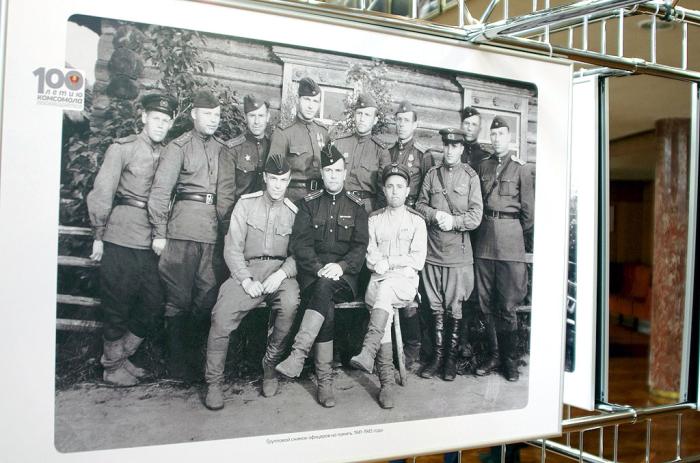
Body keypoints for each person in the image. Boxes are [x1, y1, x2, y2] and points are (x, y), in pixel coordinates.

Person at [86, 93, 176, 386]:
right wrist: (98, 235)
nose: (161, 125)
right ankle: (111, 368)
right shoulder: (122, 148)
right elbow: (103, 192)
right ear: (143, 117)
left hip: (151, 240)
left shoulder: (168, 154)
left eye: (166, 120)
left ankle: (121, 357)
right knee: (117, 303)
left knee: (153, 303)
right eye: (156, 118)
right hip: (121, 235)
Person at [275, 142, 369, 408]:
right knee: (323, 293)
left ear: (344, 172)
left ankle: (299, 354)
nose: (333, 176)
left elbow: (361, 247)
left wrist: (341, 266)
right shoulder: (308, 204)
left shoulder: (357, 206)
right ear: (322, 173)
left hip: (346, 276)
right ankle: (324, 383)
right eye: (328, 171)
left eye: (337, 171)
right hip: (314, 274)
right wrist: (318, 268)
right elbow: (300, 245)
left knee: (325, 289)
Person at [203, 153, 300, 410]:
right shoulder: (246, 204)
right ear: (265, 178)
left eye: (284, 180)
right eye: (274, 179)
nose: (278, 185)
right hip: (248, 270)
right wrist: (246, 281)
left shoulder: (294, 213)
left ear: (288, 181)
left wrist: (281, 274)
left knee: (290, 303)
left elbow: (299, 255)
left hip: (280, 273)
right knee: (222, 314)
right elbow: (232, 249)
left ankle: (270, 367)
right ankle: (214, 382)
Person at [147, 89, 229, 381]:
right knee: (178, 298)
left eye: (217, 115)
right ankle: (177, 365)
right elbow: (160, 193)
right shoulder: (178, 147)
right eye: (208, 114)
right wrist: (159, 232)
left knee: (207, 297)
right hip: (182, 230)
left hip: (212, 233)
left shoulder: (223, 148)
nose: (213, 120)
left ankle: (199, 363)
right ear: (194, 114)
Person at [349, 163, 427, 409]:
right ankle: (384, 379)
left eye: (400, 187)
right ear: (383, 190)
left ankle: (378, 367)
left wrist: (389, 262)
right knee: (383, 296)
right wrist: (379, 263)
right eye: (390, 186)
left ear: (407, 191)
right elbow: (369, 253)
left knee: (385, 292)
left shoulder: (416, 221)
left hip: (404, 284)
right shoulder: (374, 220)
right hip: (379, 283)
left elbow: (417, 259)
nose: (395, 191)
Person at [415, 127, 483, 381]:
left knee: (454, 308)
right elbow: (419, 205)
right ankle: (437, 357)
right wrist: (435, 215)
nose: (450, 150)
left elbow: (476, 215)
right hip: (433, 252)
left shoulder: (470, 177)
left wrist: (453, 221)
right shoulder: (432, 175)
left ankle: (450, 361)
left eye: (455, 146)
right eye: (446, 145)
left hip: (458, 255)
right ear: (443, 147)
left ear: (462, 149)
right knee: (434, 307)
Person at [473, 116, 534, 382]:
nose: (497, 139)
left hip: (510, 243)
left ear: (510, 138)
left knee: (507, 305)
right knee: (486, 304)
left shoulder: (521, 168)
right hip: (485, 241)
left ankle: (509, 361)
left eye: (501, 134)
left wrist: (511, 231)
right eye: (493, 134)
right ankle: (493, 355)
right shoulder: (483, 165)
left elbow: (529, 214)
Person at [388, 99, 434, 371]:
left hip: (412, 222)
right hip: (390, 220)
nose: (402, 124)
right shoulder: (387, 152)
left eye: (407, 120)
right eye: (399, 120)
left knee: (412, 286)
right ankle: (390, 347)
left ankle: (415, 347)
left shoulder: (423, 156)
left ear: (415, 125)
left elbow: (426, 192)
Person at [268, 77, 329, 203]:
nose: (311, 106)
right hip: (293, 198)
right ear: (298, 100)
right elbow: (272, 175)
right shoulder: (283, 133)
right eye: (307, 100)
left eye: (315, 101)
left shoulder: (323, 132)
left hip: (320, 199)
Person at [332, 92, 392, 212]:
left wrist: (376, 214)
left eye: (367, 115)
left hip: (366, 208)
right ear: (354, 115)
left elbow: (383, 189)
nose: (362, 118)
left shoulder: (381, 150)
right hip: (339, 204)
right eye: (359, 113)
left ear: (375, 120)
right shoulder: (339, 143)